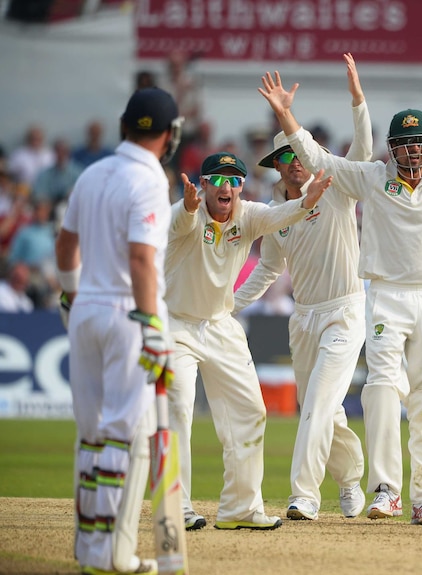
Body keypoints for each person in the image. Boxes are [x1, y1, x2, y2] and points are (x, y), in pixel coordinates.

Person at [258, 67, 422, 527]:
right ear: (393, 148)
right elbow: (318, 159)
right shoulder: (373, 177)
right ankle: (386, 490)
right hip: (384, 295)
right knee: (379, 387)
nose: (415, 151)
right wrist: (286, 117)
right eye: (407, 144)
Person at [232, 53, 372, 521]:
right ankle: (351, 480)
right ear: (277, 165)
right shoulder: (274, 213)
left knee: (316, 402)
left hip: (345, 311)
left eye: (299, 153)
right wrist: (227, 305)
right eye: (286, 157)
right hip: (304, 318)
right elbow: (268, 269)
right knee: (326, 412)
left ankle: (304, 495)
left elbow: (365, 150)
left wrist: (357, 99)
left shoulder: (335, 185)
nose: (295, 163)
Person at [165, 150, 331, 532]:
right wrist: (189, 209)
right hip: (175, 325)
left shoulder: (248, 215)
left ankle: (240, 507)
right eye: (218, 180)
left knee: (250, 411)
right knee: (177, 410)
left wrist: (307, 201)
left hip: (220, 324)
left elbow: (278, 216)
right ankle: (176, 506)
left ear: (242, 186)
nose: (227, 187)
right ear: (203, 184)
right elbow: (180, 225)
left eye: (234, 180)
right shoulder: (186, 214)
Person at [54, 86, 182, 575]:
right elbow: (142, 259)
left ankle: (90, 547)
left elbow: (66, 245)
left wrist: (70, 294)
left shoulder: (92, 173)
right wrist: (151, 323)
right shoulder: (150, 181)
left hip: (86, 309)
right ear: (169, 136)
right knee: (128, 434)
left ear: (124, 126)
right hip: (130, 312)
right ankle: (115, 555)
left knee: (92, 435)